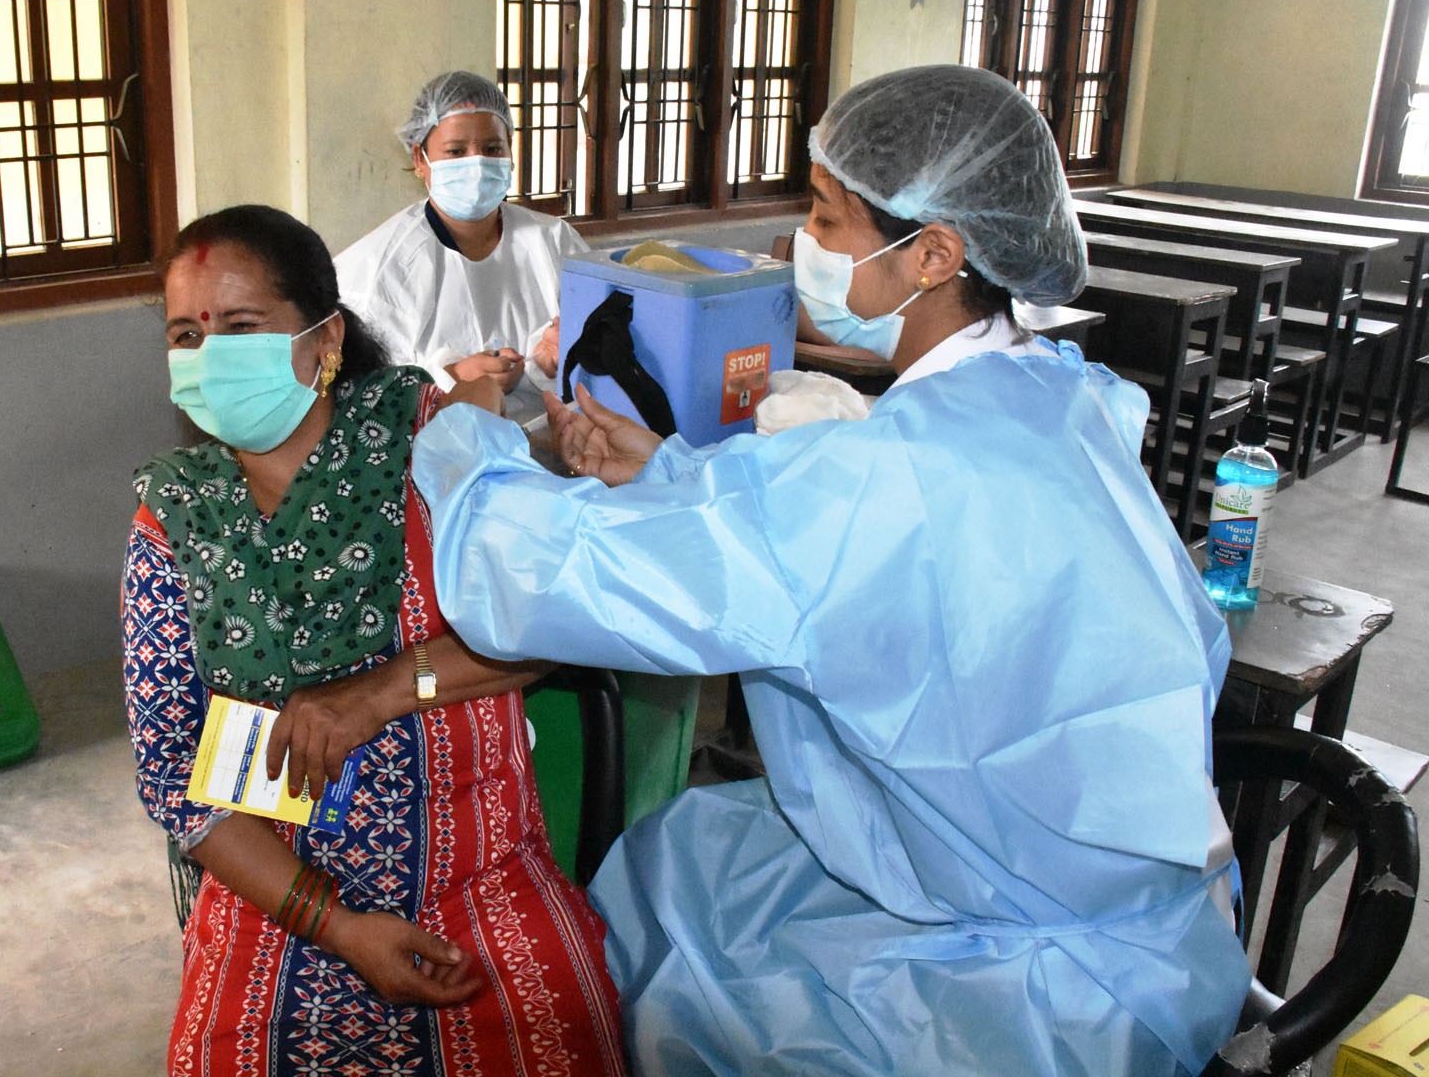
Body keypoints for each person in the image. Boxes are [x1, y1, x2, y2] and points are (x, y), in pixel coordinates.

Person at [410, 66, 1252, 1076]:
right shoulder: (1057, 395)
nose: (798, 248)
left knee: (666, 947)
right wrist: (670, 472)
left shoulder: (888, 476)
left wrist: (464, 442)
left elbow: (541, 578)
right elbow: (821, 535)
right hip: (1144, 897)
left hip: (1042, 988)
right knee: (682, 853)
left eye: (826, 218)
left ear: (934, 253)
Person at [119, 204, 625, 1076]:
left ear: (324, 345)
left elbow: (559, 622)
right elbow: (174, 772)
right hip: (280, 893)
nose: (210, 357)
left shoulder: (438, 448)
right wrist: (340, 928)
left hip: (481, 871)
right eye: (186, 335)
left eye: (240, 327)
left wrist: (382, 691)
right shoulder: (172, 519)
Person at [334, 71, 587, 419]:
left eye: (492, 148)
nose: (477, 164)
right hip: (434, 458)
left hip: (550, 444)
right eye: (455, 151)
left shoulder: (554, 241)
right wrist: (451, 377)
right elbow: (360, 394)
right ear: (420, 159)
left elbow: (597, 352)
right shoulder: (377, 268)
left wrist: (545, 363)